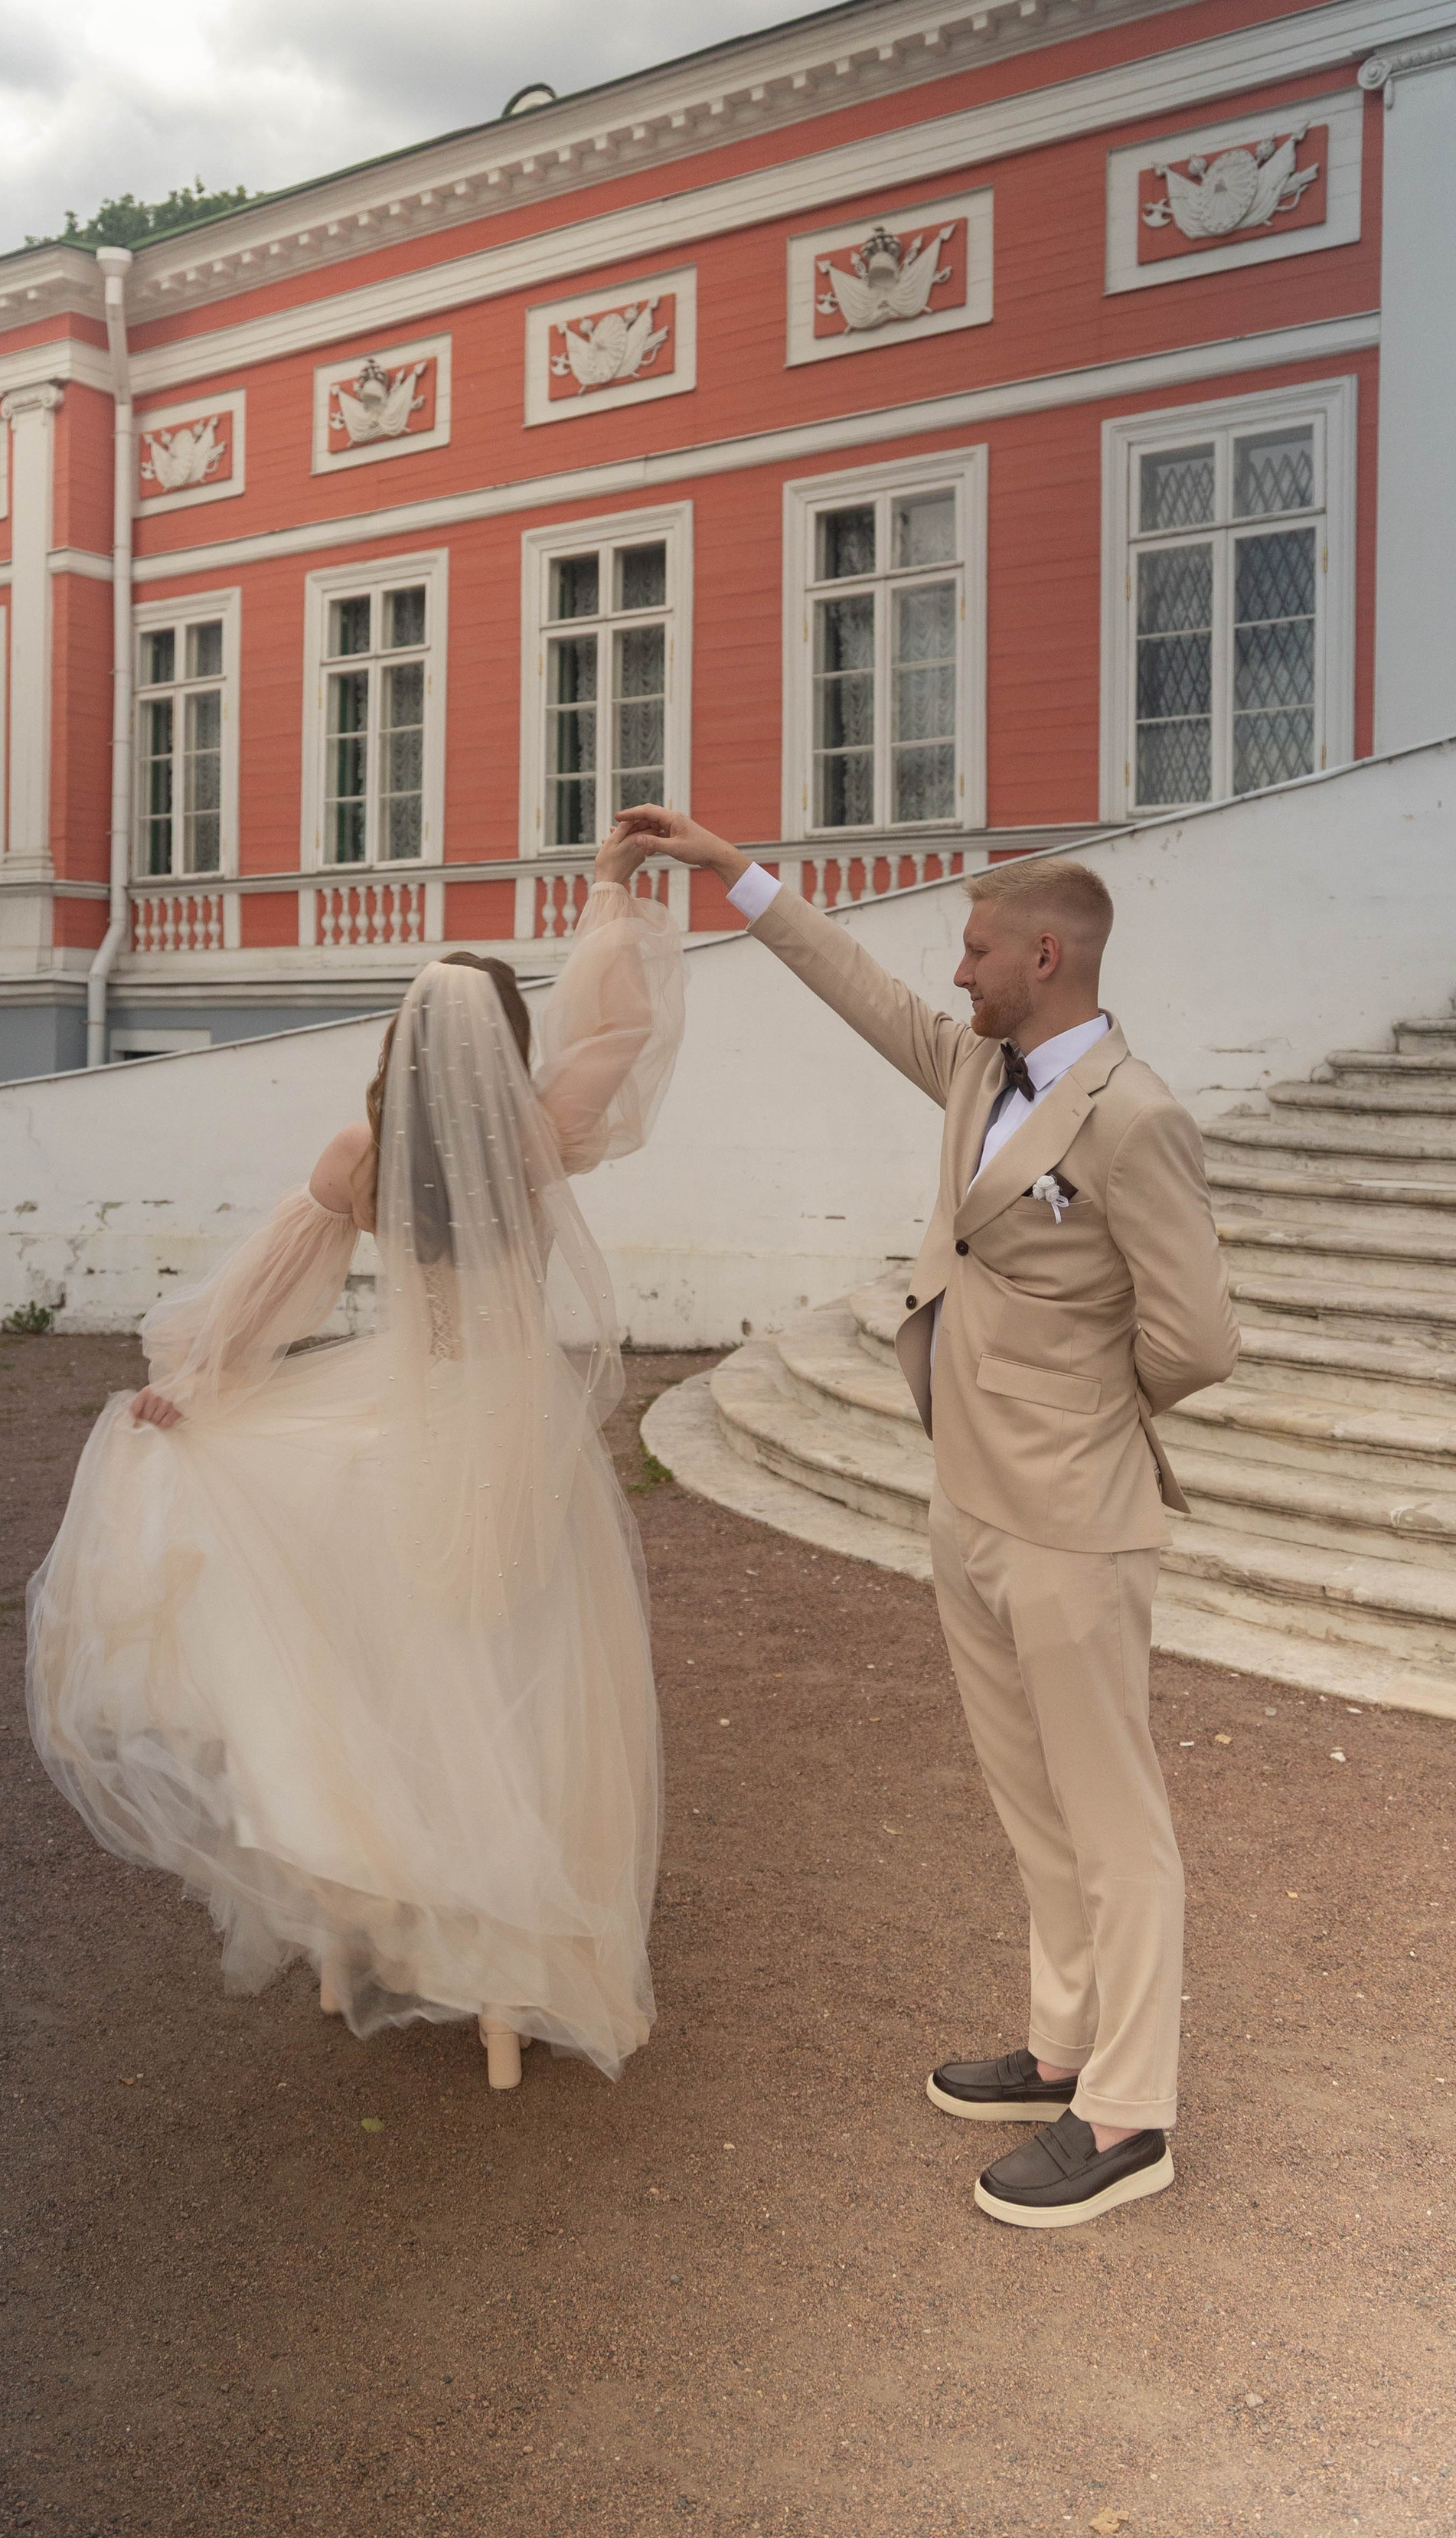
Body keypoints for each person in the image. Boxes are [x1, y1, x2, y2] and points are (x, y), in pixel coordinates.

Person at [619, 809, 1239, 2226]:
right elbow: (859, 988)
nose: (954, 974)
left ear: (1043, 956)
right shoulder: (975, 1066)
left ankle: (1130, 2114)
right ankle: (1063, 2047)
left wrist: (1073, 1406)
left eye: (974, 951)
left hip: (1075, 1515)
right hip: (969, 1494)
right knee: (1032, 1801)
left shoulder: (1136, 1118)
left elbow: (1198, 1340)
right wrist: (729, 871)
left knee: (1115, 1819)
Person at [25, 829, 683, 2089]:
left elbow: (274, 1288)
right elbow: (623, 1027)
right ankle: (508, 1965)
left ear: (400, 1043)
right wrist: (610, 891)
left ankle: (361, 1926)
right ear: (507, 1042)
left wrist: (198, 1384)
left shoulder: (361, 1156)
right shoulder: (542, 1135)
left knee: (386, 1680)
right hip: (515, 1436)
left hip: (399, 1426)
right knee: (518, 1685)